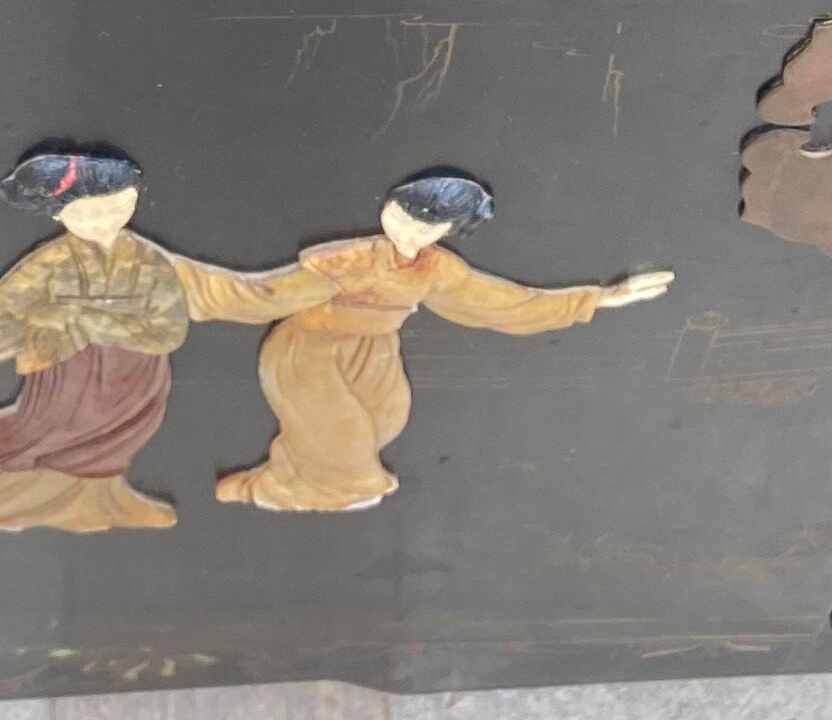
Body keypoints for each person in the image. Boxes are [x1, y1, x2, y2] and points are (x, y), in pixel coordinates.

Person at [0, 144, 329, 534]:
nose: (103, 220)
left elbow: (228, 296)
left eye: (115, 206)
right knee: (48, 440)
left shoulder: (152, 263)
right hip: (66, 378)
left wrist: (330, 278)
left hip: (137, 382)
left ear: (133, 200)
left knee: (114, 442)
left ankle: (103, 497)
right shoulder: (48, 266)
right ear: (60, 216)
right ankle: (14, 489)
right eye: (86, 213)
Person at [214, 168, 672, 514]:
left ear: (446, 233)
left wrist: (603, 298)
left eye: (425, 229)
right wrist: (187, 290)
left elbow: (502, 302)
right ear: (388, 205)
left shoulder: (435, 269)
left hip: (371, 349)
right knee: (340, 436)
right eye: (401, 218)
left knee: (384, 423)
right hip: (308, 350)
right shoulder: (346, 260)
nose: (408, 235)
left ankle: (285, 473)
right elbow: (266, 293)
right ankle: (275, 491)